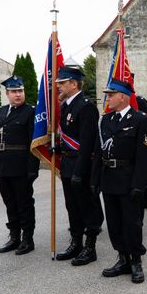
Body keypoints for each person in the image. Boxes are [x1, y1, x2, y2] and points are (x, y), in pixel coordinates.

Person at [91, 79, 147, 284]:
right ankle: (122, 258)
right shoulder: (105, 120)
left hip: (128, 179)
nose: (107, 97)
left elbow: (143, 157)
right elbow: (99, 152)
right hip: (109, 178)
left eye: (111, 94)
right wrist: (95, 179)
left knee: (131, 223)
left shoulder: (141, 120)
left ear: (123, 97)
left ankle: (136, 261)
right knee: (114, 223)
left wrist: (138, 184)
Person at [53, 67, 103, 266]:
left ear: (74, 84)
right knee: (72, 206)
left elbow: (87, 144)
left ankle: (90, 248)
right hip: (68, 164)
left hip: (81, 167)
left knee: (87, 206)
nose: (58, 86)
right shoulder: (66, 106)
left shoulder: (86, 107)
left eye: (62, 83)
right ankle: (76, 243)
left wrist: (80, 172)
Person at [0, 76, 39, 255]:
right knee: (9, 203)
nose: (18, 95)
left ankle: (27, 239)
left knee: (24, 203)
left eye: (20, 91)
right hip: (3, 167)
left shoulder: (30, 112)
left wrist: (32, 169)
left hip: (21, 167)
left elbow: (34, 142)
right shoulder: (0, 112)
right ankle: (14, 236)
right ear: (7, 93)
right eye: (14, 92)